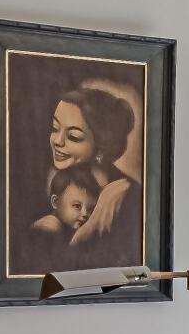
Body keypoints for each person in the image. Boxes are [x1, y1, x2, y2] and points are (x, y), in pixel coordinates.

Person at [48, 82, 137, 253]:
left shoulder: (126, 195)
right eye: (54, 128)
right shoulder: (64, 183)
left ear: (102, 145)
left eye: (73, 136)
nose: (57, 141)